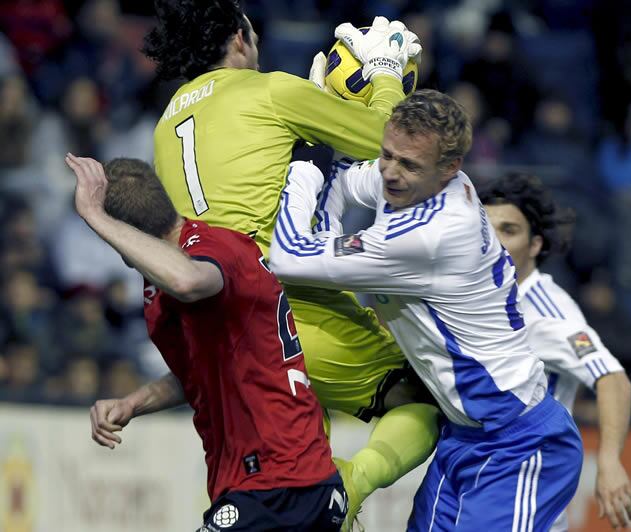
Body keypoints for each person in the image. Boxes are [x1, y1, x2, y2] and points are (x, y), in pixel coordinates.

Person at [143, 1, 438, 527]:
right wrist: (388, 76)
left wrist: (317, 110)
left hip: (217, 331)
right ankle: (352, 485)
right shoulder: (270, 90)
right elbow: (387, 140)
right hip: (283, 306)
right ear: (239, 39)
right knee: (421, 396)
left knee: (295, 475)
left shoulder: (164, 127)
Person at [268, 89, 584, 531]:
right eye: (386, 155)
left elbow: (288, 256)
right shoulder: (421, 184)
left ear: (449, 168)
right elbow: (340, 179)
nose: (390, 174)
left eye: (408, 164)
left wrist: (303, 171)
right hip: (464, 434)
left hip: (518, 441)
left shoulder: (432, 235)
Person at [67, 154, 346, 532]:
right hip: (268, 483)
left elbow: (190, 281)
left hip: (279, 483)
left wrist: (95, 215)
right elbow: (198, 372)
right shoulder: (161, 277)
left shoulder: (213, 250)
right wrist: (134, 402)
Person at [480, 173, 631, 531]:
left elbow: (612, 377)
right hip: (472, 470)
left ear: (535, 245)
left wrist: (610, 461)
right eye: (487, 230)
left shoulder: (546, 311)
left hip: (522, 480)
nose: (496, 243)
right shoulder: (478, 297)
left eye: (509, 230)